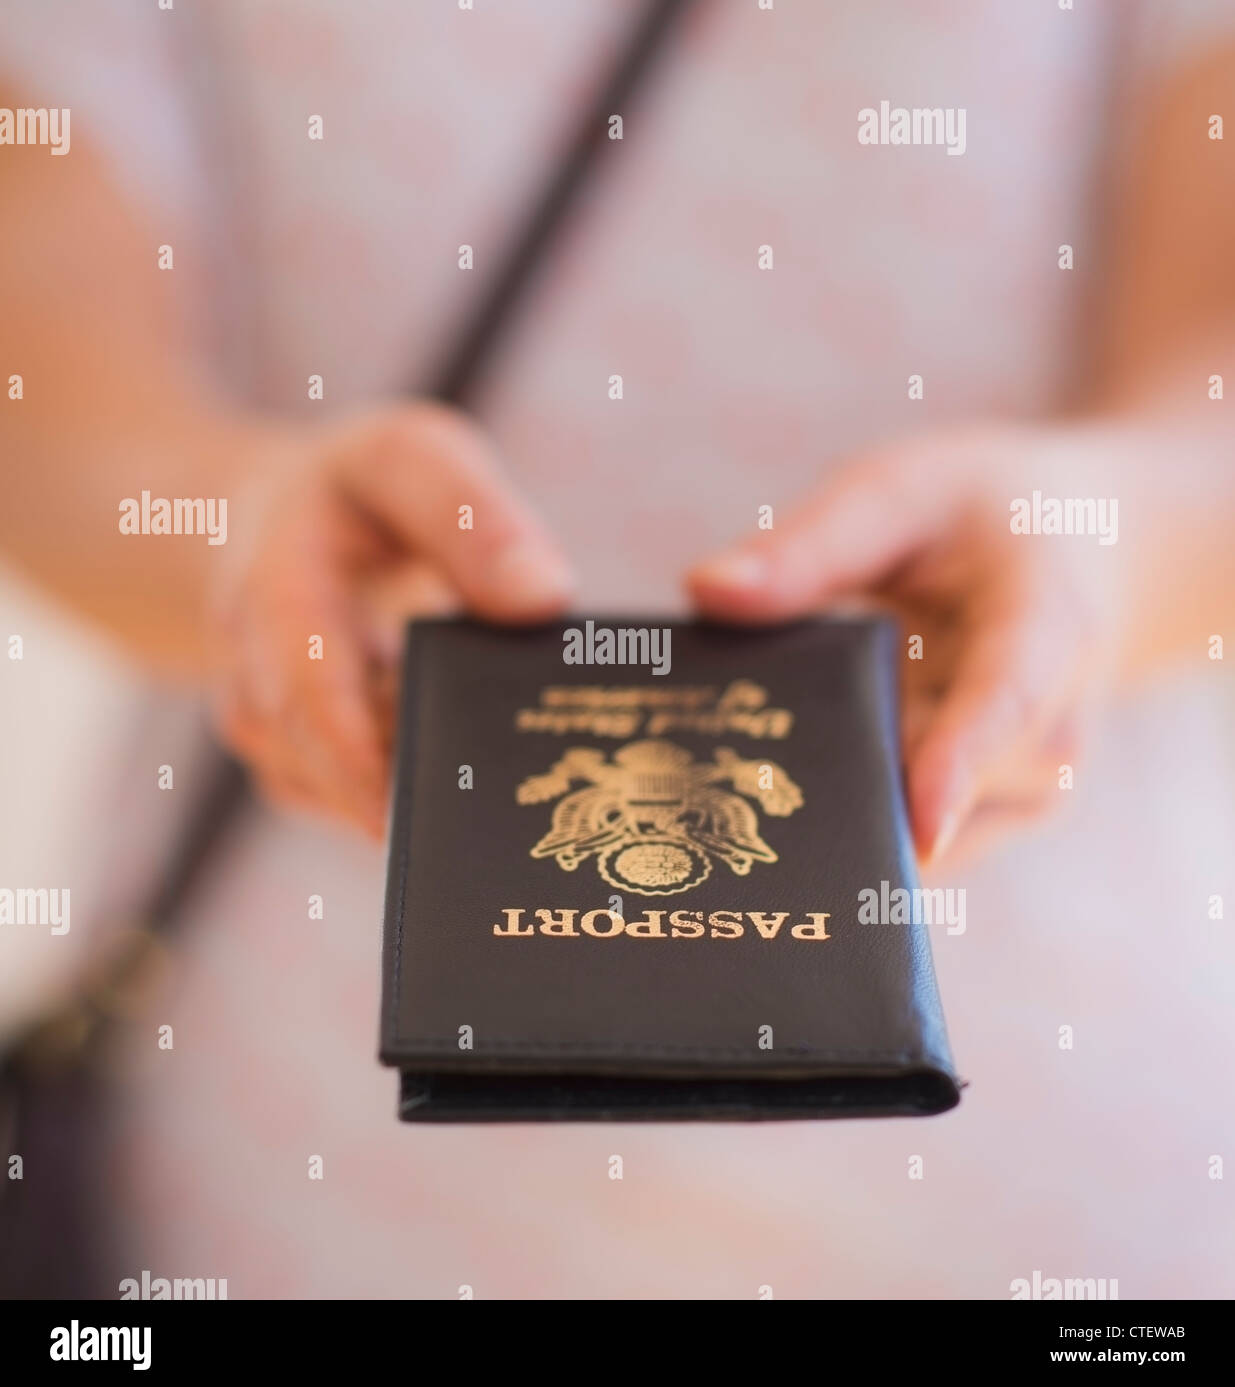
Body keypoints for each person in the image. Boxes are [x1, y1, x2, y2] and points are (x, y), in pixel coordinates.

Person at [1, 0, 1233, 1298]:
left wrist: (1100, 543)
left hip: (1056, 1141)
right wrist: (238, 529)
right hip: (306, 1145)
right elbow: (41, 370)